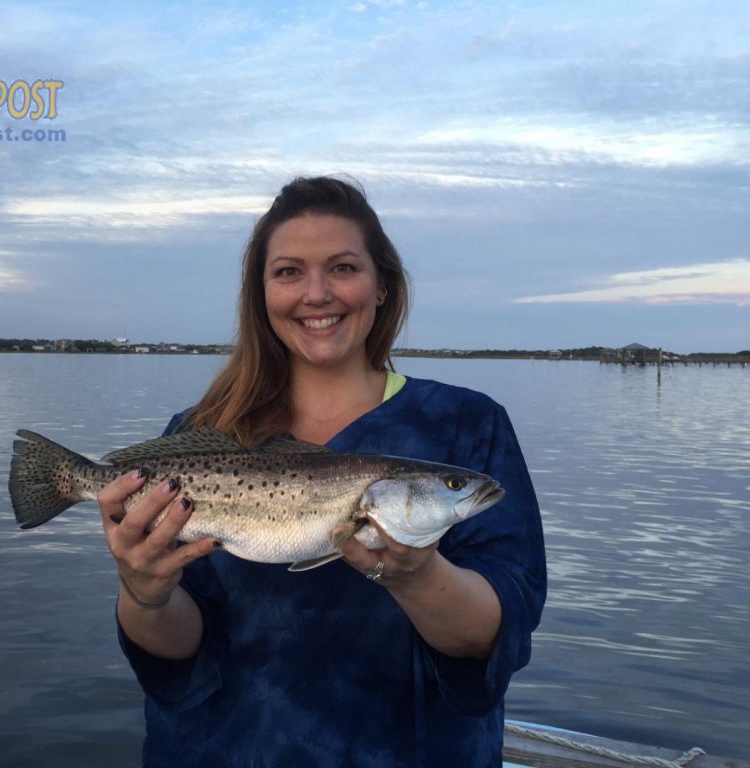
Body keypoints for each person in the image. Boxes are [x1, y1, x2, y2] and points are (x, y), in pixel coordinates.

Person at [97, 176, 546, 768]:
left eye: (342, 268)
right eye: (288, 272)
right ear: (260, 293)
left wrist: (416, 576)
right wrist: (145, 591)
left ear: (382, 284)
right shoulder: (199, 433)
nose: (317, 294)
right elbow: (176, 650)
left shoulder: (468, 424)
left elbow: (499, 635)